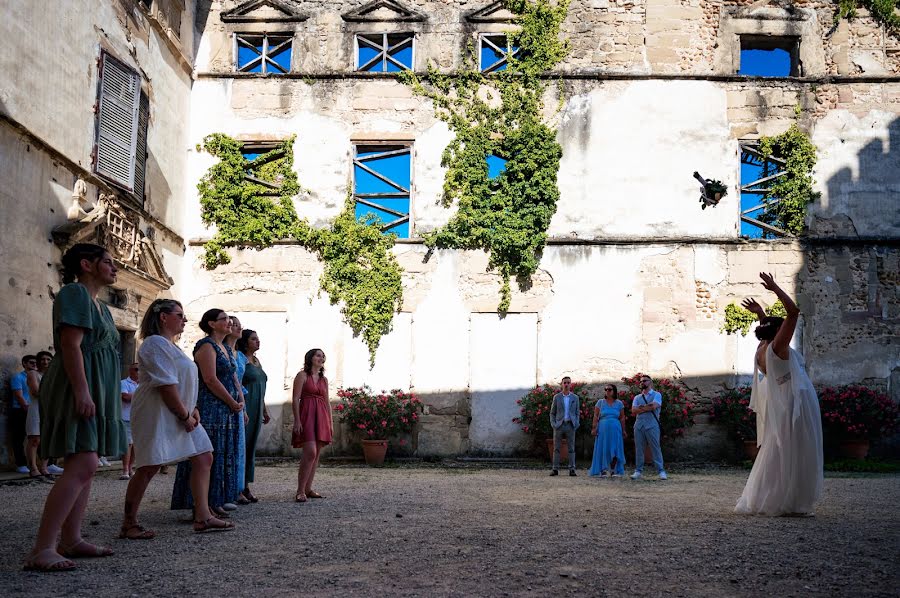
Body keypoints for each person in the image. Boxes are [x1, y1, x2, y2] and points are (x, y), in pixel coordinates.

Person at [24, 243, 127, 572]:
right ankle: (43, 548)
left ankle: (71, 538)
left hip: (95, 387)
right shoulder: (74, 294)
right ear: (86, 264)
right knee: (82, 463)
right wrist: (83, 392)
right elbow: (70, 345)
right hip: (75, 385)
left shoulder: (102, 307)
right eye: (108, 263)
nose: (114, 268)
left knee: (87, 462)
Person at [121, 299, 231, 538]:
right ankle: (129, 523)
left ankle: (202, 515)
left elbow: (183, 382)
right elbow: (166, 385)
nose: (184, 320)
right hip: (158, 412)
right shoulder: (153, 344)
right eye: (179, 315)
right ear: (163, 317)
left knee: (203, 455)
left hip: (182, 411)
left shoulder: (171, 346)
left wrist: (193, 408)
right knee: (149, 466)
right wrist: (183, 414)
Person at [735, 273, 823, 517]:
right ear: (779, 332)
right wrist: (774, 288)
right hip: (794, 400)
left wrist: (760, 313)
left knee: (778, 448)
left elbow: (770, 328)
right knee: (795, 449)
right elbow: (793, 312)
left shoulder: (762, 349)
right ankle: (787, 500)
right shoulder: (777, 347)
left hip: (781, 398)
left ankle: (768, 496)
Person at [171, 309, 243, 520]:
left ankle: (214, 500)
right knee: (208, 452)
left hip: (227, 408)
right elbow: (210, 379)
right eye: (224, 319)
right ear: (211, 324)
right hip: (211, 406)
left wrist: (239, 399)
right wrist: (231, 401)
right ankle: (199, 504)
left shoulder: (226, 348)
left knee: (222, 453)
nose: (229, 322)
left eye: (229, 319)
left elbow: (232, 376)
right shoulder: (206, 346)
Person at [292, 348, 332, 502]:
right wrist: (297, 420)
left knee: (316, 454)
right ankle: (300, 490)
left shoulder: (324, 380)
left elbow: (327, 401)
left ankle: (308, 489)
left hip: (321, 416)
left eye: (323, 356)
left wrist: (330, 422)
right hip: (307, 415)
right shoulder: (302, 375)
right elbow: (296, 399)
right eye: (318, 355)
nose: (321, 358)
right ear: (310, 358)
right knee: (310, 452)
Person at [237, 329, 270, 503]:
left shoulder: (256, 361)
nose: (258, 341)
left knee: (250, 448)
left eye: (258, 338)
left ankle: (246, 485)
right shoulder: (240, 359)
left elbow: (260, 385)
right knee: (241, 447)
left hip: (257, 408)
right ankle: (236, 488)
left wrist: (264, 409)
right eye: (253, 339)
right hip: (245, 408)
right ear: (245, 341)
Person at [224, 316, 248, 508]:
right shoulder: (220, 350)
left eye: (240, 326)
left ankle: (237, 489)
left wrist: (243, 406)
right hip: (224, 401)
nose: (239, 328)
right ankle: (225, 491)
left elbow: (240, 383)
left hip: (238, 402)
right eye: (235, 325)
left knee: (238, 448)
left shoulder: (239, 356)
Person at [26, 351, 60, 478]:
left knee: (47, 439)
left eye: (48, 359)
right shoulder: (33, 373)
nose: (45, 362)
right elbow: (36, 392)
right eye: (42, 359)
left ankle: (44, 467)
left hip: (50, 410)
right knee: (34, 439)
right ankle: (33, 467)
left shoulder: (54, 376)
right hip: (36, 408)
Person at [630, 375, 667, 480]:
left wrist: (640, 408)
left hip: (652, 425)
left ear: (650, 382)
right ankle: (638, 471)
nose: (642, 383)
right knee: (639, 449)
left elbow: (654, 406)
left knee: (655, 448)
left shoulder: (657, 394)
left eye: (644, 381)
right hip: (639, 426)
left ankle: (661, 471)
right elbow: (633, 410)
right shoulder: (637, 397)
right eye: (641, 381)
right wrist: (647, 407)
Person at [589, 384, 627, 478]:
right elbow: (596, 416)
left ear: (614, 391)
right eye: (605, 389)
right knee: (604, 448)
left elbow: (622, 418)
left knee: (615, 448)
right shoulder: (600, 402)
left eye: (609, 389)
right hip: (603, 429)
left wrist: (624, 430)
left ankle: (613, 470)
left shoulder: (619, 403)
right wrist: (594, 428)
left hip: (615, 429)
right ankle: (604, 469)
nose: (607, 391)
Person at [10, 354, 37, 474]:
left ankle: (49, 464)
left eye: (36, 362)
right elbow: (19, 396)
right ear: (24, 364)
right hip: (20, 411)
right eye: (31, 362)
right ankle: (20, 464)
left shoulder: (37, 376)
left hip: (34, 410)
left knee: (37, 437)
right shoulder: (18, 377)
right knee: (19, 438)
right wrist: (28, 409)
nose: (34, 364)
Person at [549, 376, 580, 476]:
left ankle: (572, 469)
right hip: (559, 425)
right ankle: (555, 469)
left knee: (571, 448)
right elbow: (552, 413)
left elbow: (577, 412)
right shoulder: (557, 397)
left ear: (571, 384)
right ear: (561, 384)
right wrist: (553, 424)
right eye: (565, 383)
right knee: (556, 448)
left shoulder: (575, 398)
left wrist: (576, 423)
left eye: (568, 383)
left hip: (570, 425)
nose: (566, 384)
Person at [119, 362, 139, 480]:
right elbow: (125, 397)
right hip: (126, 417)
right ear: (130, 371)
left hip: (140, 419)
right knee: (128, 444)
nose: (139, 372)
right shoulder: (123, 383)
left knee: (136, 445)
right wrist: (141, 396)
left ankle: (131, 468)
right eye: (136, 369)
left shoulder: (142, 385)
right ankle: (125, 469)